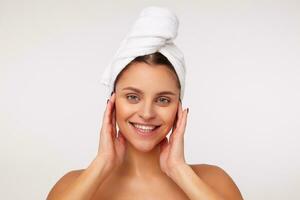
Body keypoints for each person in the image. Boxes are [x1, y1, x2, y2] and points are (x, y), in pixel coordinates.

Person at [47, 7, 243, 200]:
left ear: (178, 108)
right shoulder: (71, 186)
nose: (147, 113)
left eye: (163, 100)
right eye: (133, 97)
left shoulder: (215, 182)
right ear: (112, 103)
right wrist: (102, 163)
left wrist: (179, 171)